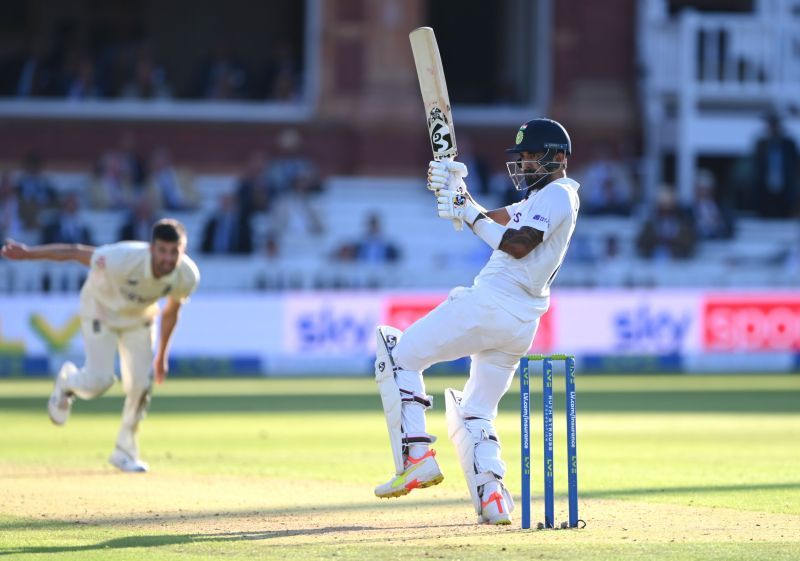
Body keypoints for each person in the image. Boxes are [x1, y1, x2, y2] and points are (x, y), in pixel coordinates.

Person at [373, 118, 580, 525]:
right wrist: (458, 194)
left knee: (399, 354)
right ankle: (494, 500)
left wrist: (466, 212)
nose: (523, 164)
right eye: (519, 157)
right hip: (521, 324)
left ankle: (415, 456)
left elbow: (517, 246)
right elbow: (496, 218)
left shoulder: (559, 195)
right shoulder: (543, 198)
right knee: (475, 410)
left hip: (491, 304)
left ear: (559, 158)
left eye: (531, 156)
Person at [0, 219, 200, 472]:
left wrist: (162, 355)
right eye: (162, 250)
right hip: (100, 311)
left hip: (139, 319)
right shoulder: (122, 258)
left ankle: (124, 451)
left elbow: (171, 311)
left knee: (141, 384)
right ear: (152, 248)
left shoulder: (187, 275)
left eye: (175, 252)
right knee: (99, 381)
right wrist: (29, 254)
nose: (168, 258)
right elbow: (74, 251)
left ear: (183, 250)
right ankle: (67, 381)